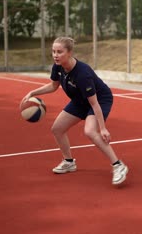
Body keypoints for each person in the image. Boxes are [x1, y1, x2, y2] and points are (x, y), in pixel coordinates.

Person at [21, 36, 128, 185]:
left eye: (59, 52)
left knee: (90, 131)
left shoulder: (83, 74)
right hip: (79, 101)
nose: (55, 55)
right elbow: (53, 86)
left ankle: (118, 165)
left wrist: (103, 128)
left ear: (69, 53)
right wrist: (33, 93)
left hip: (99, 100)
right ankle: (69, 162)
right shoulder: (57, 67)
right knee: (57, 128)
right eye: (53, 51)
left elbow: (95, 104)